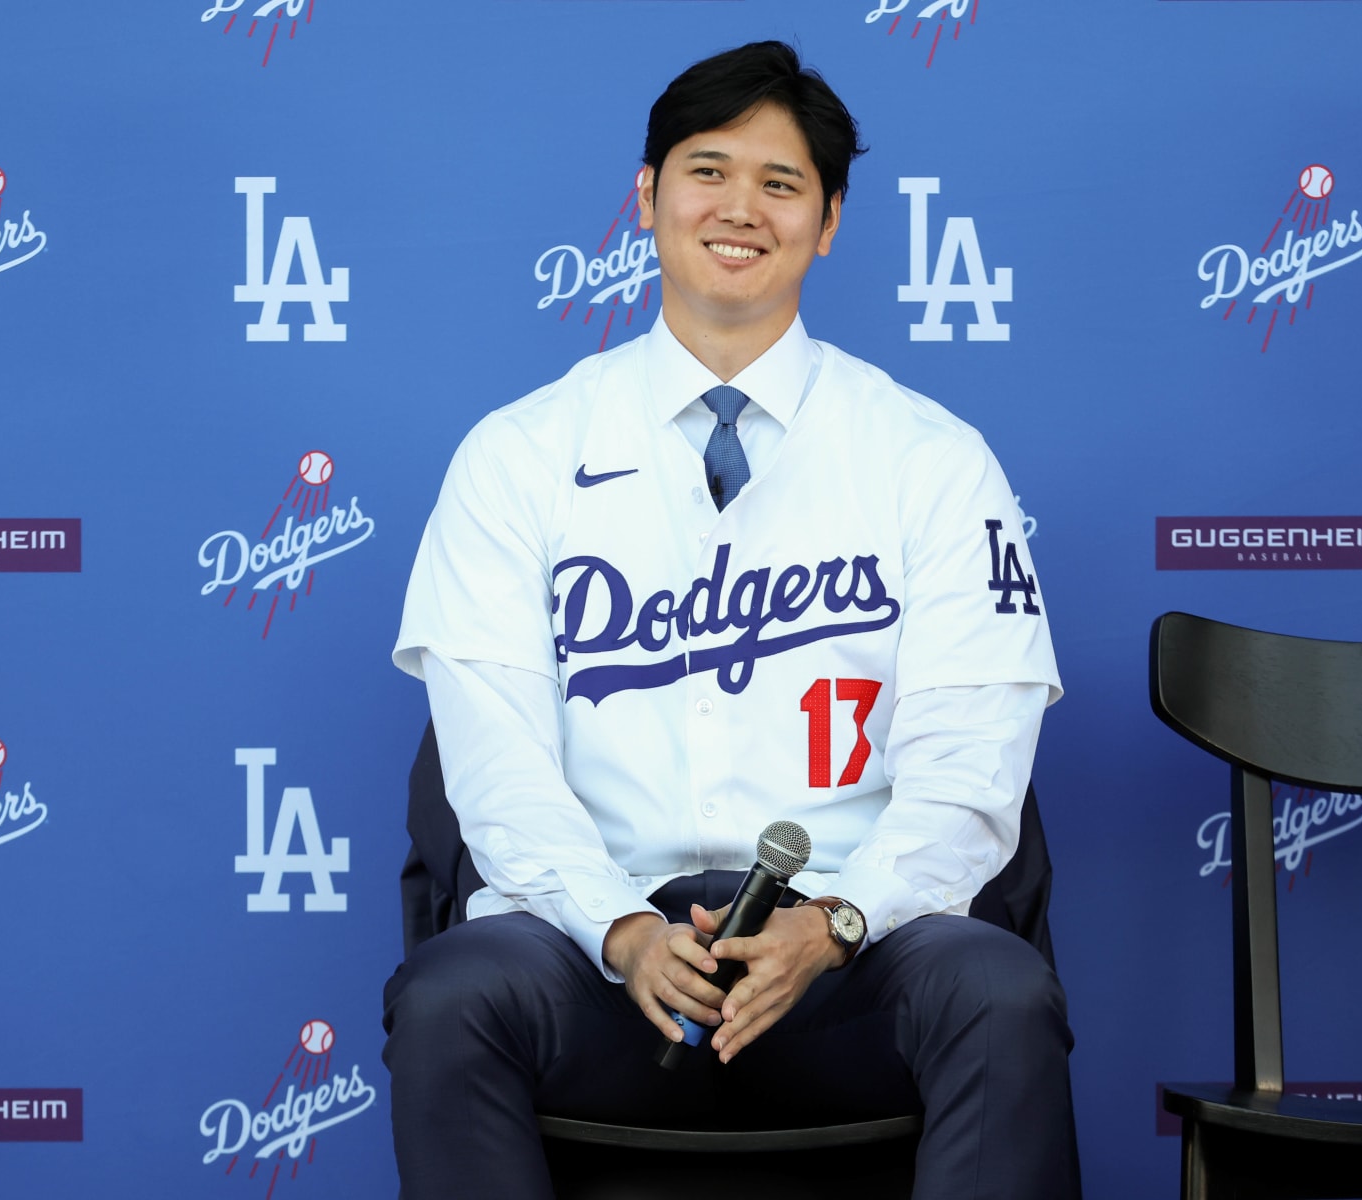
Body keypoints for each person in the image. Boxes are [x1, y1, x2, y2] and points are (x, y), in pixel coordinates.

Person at [385, 39, 1079, 1200]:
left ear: (832, 219)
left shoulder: (933, 460)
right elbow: (494, 774)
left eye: (781, 182)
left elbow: (971, 775)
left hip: (854, 966)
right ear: (647, 195)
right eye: (707, 171)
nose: (740, 208)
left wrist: (839, 923)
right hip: (594, 964)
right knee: (457, 996)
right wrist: (621, 932)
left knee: (996, 994)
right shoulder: (517, 455)